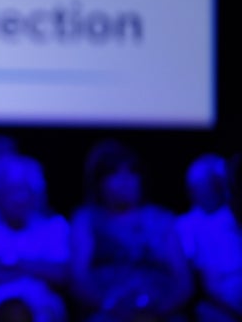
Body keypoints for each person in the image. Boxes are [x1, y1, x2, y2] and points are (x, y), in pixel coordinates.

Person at [68, 138, 193, 322]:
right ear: (99, 182)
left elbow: (184, 281)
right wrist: (110, 305)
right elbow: (78, 279)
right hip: (108, 310)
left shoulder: (161, 219)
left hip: (160, 311)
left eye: (132, 172)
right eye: (115, 173)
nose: (125, 180)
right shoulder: (87, 219)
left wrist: (159, 310)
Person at [0, 152, 70, 322]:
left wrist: (4, 264)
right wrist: (32, 268)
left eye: (24, 190)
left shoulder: (53, 225)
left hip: (42, 304)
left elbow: (62, 275)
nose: (19, 198)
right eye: (11, 191)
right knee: (14, 312)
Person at [175, 152, 242, 322]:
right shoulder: (185, 224)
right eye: (198, 186)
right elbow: (192, 273)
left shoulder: (234, 215)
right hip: (213, 300)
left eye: (214, 184)